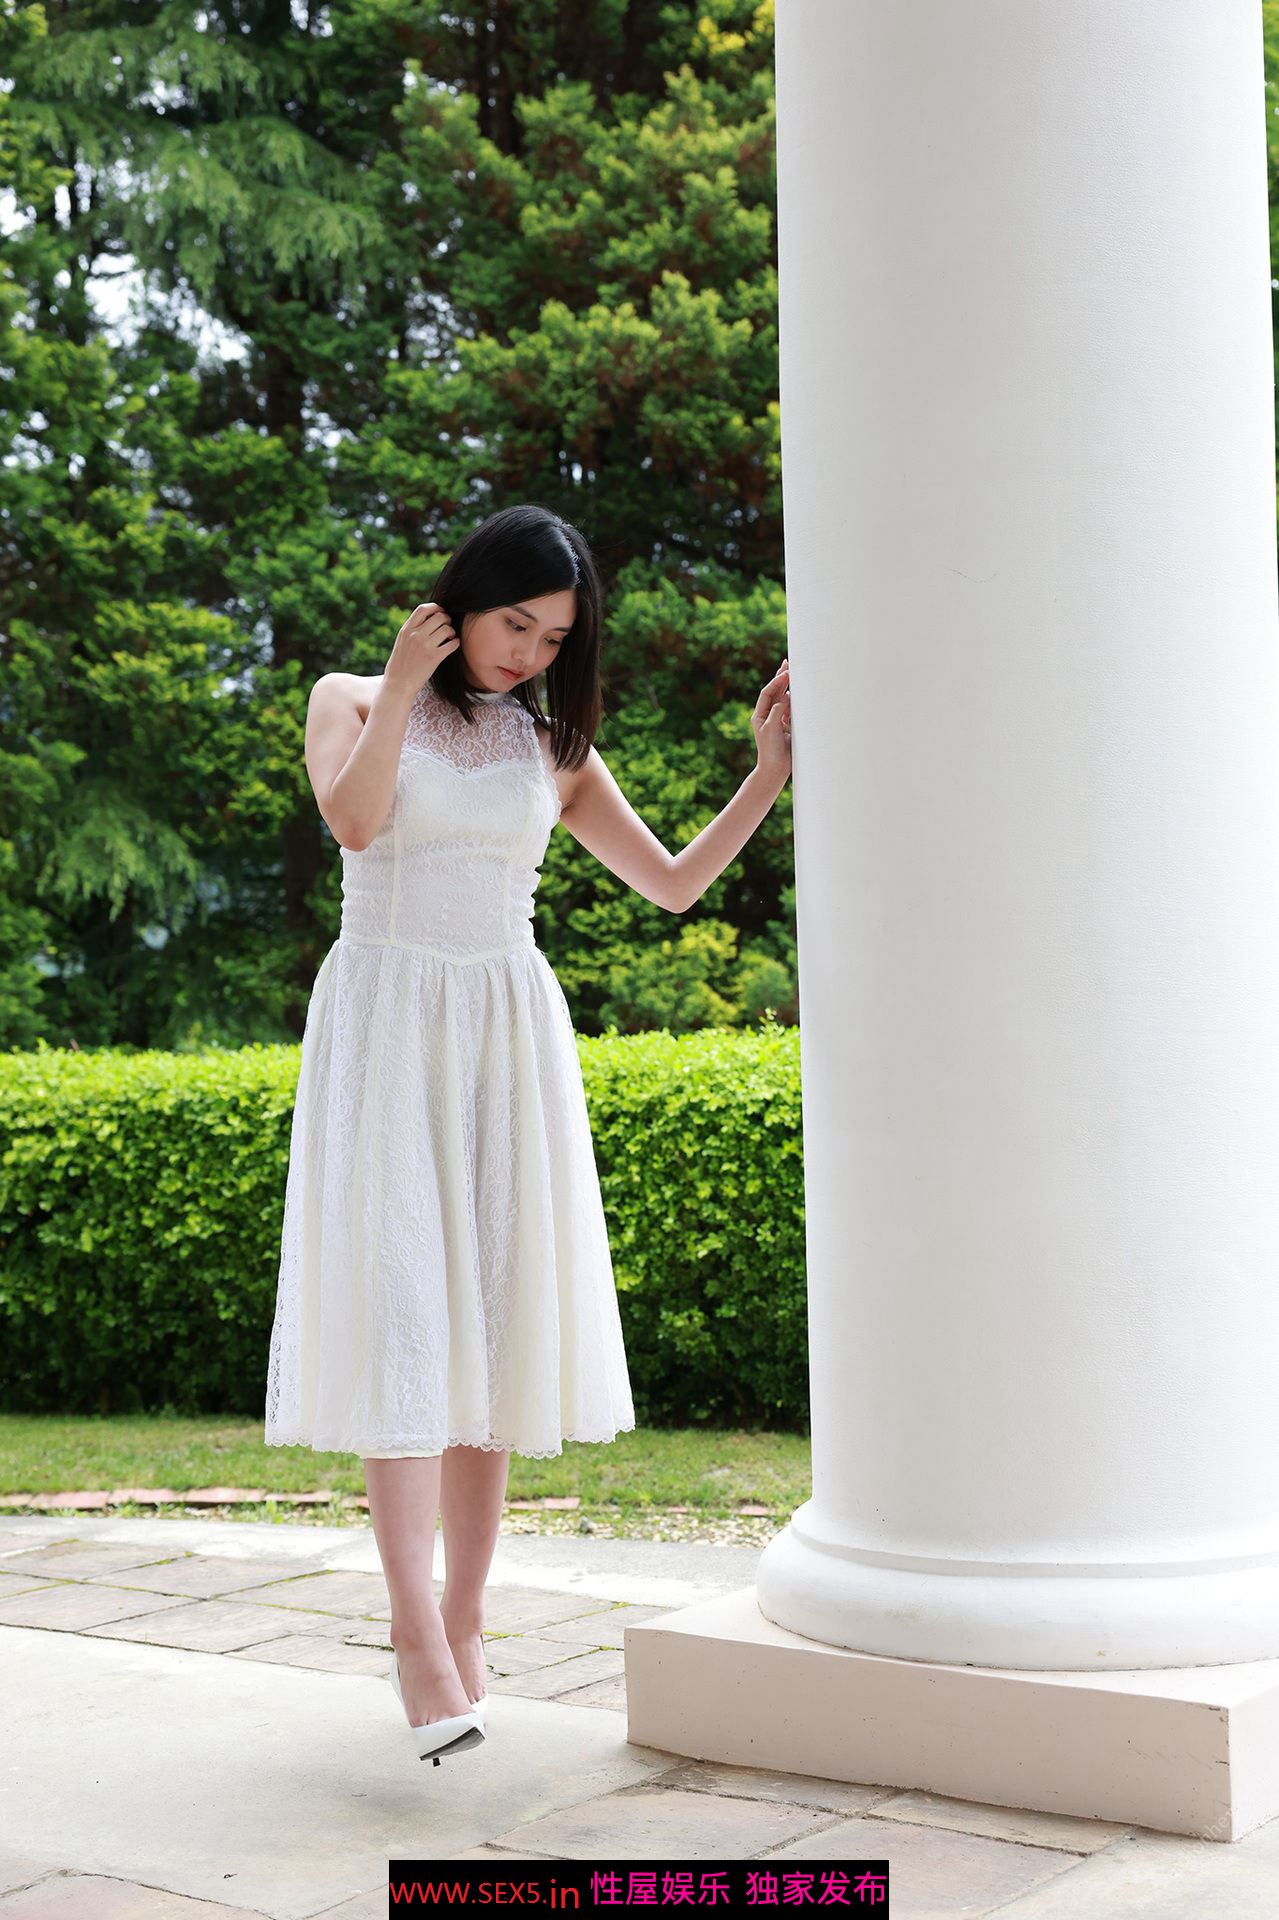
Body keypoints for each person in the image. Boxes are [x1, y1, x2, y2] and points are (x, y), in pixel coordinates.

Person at [262, 503, 792, 1763]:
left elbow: (672, 883)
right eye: (515, 624)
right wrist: (404, 683)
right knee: (406, 1322)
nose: (529, 654)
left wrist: (768, 773)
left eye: (554, 639)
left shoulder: (551, 743)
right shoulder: (351, 696)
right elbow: (352, 821)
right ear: (462, 600)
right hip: (388, 1023)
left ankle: (466, 1615)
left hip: (506, 1032)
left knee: (493, 1333)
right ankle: (411, 1631)